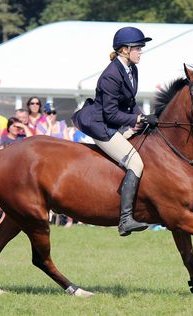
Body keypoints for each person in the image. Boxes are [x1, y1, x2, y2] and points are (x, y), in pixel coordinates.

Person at [72, 26, 158, 236]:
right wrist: (136, 118)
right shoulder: (110, 75)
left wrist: (143, 118)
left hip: (113, 122)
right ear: (124, 50)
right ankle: (126, 219)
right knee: (136, 162)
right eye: (137, 47)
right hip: (101, 126)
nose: (141, 51)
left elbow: (129, 102)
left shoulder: (132, 69)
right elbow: (110, 114)